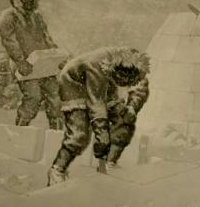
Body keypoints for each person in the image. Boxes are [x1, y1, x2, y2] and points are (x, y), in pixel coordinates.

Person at [47, 47, 150, 186]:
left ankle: (109, 162)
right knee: (80, 134)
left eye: (127, 81)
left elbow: (139, 90)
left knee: (124, 121)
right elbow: (96, 103)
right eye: (120, 79)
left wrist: (131, 109)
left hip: (106, 87)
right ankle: (57, 170)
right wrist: (102, 133)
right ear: (113, 71)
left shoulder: (137, 67)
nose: (124, 83)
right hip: (74, 84)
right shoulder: (96, 66)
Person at [0, 0, 63, 129]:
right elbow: (9, 41)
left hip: (44, 64)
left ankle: (56, 136)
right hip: (24, 65)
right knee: (33, 98)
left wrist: (56, 56)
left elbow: (47, 38)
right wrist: (20, 61)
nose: (28, 1)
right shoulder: (8, 17)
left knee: (55, 97)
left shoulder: (38, 17)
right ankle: (19, 132)